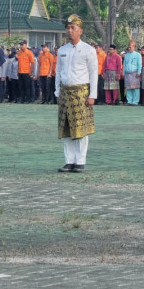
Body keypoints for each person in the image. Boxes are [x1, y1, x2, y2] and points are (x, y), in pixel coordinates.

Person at [55, 14, 98, 173]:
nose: (69, 31)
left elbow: (94, 74)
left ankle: (80, 161)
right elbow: (58, 71)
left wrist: (92, 95)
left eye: (73, 28)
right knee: (66, 129)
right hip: (65, 92)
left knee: (81, 128)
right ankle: (69, 161)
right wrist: (57, 92)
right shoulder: (62, 50)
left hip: (81, 92)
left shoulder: (88, 50)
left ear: (80, 30)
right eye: (68, 28)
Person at [123, 41, 143, 105]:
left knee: (135, 88)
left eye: (130, 47)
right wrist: (123, 73)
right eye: (128, 47)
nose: (129, 48)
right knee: (128, 88)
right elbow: (124, 64)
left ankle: (135, 101)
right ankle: (129, 101)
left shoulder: (138, 55)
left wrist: (139, 72)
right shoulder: (126, 55)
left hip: (135, 73)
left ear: (134, 47)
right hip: (127, 73)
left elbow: (140, 64)